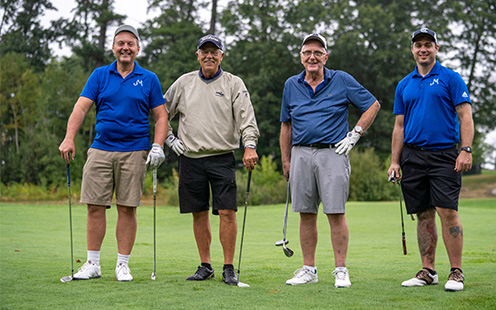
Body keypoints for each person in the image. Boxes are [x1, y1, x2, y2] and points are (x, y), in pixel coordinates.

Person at [58, 25, 168, 282]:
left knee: (127, 208)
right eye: (120, 43)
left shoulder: (149, 78)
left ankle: (122, 265)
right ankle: (93, 264)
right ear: (113, 48)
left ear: (137, 49)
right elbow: (81, 108)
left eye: (130, 43)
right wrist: (68, 138)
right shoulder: (99, 75)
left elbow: (161, 115)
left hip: (135, 151)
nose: (125, 48)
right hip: (101, 149)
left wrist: (157, 145)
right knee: (95, 206)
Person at [280, 33, 381, 288]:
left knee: (335, 211)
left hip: (333, 152)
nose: (312, 57)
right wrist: (286, 159)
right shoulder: (291, 84)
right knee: (305, 213)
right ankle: (308, 269)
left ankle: (341, 269)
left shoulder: (341, 80)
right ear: (301, 57)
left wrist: (355, 134)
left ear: (326, 56)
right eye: (307, 52)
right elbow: (286, 125)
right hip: (301, 152)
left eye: (317, 52)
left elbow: (372, 105)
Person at [163, 34, 260, 286]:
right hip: (190, 158)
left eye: (214, 52)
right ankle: (205, 265)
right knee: (198, 212)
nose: (209, 55)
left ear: (221, 55)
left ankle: (228, 267)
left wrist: (249, 146)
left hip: (221, 158)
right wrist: (169, 140)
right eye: (204, 51)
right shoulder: (184, 83)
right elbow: (161, 113)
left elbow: (246, 118)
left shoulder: (233, 83)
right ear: (197, 55)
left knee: (227, 212)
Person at [387, 28, 474, 292]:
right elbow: (399, 126)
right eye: (418, 45)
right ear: (412, 49)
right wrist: (394, 161)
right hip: (412, 155)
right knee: (423, 214)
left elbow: (465, 116)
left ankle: (456, 272)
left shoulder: (451, 78)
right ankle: (428, 270)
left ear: (436, 48)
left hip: (445, 153)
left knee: (447, 211)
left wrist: (466, 149)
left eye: (428, 44)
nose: (423, 49)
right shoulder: (405, 84)